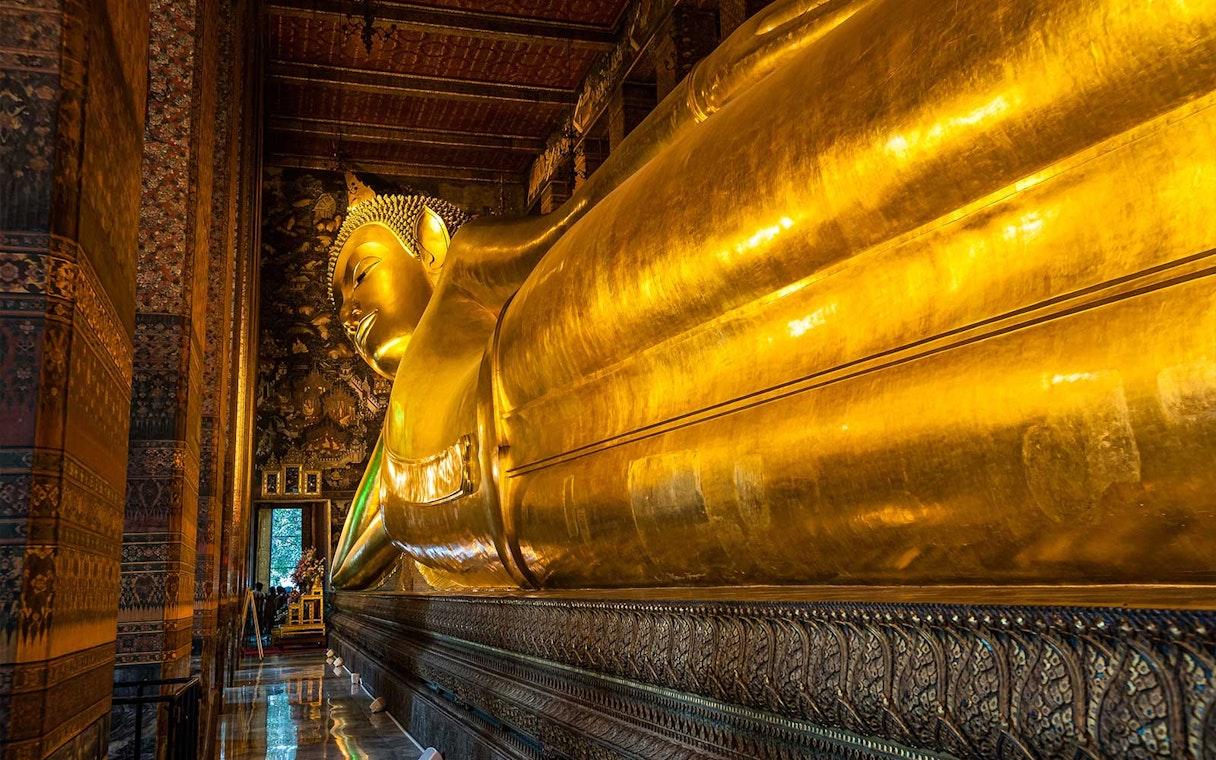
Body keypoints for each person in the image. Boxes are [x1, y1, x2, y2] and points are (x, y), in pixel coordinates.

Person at [331, 0, 1216, 592]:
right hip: (555, 496)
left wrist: (720, 83)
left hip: (557, 340)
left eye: (359, 272)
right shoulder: (401, 429)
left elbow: (594, 201)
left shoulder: (482, 270)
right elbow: (354, 554)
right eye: (338, 307)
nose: (351, 314)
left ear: (433, 242)